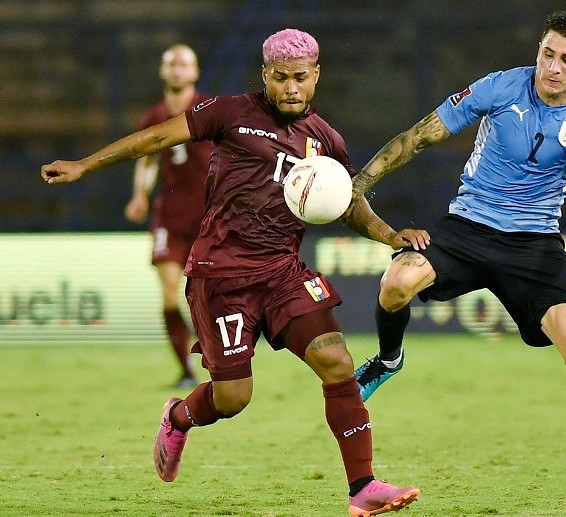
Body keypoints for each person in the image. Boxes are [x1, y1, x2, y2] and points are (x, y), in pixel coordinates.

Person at [42, 28, 425, 517]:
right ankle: (179, 417)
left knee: (338, 363)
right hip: (221, 275)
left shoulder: (325, 140)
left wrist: (391, 235)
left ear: (316, 77)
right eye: (281, 77)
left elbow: (349, 203)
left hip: (283, 272)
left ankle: (363, 488)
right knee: (233, 397)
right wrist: (85, 165)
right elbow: (158, 137)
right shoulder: (230, 113)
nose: (291, 87)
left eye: (300, 78)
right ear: (265, 74)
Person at [349, 11, 566, 515]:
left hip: (533, 245)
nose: (553, 68)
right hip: (469, 227)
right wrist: (358, 185)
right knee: (395, 282)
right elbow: (420, 135)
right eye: (547, 54)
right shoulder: (500, 88)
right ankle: (389, 360)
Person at [124, 44, 212, 389]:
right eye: (171, 64)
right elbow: (145, 161)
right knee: (168, 293)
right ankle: (188, 370)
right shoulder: (153, 118)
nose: (177, 69)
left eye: (184, 64)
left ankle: (220, 357)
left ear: (195, 73)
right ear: (163, 72)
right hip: (171, 219)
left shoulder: (208, 111)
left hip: (209, 218)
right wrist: (140, 194)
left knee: (208, 295)